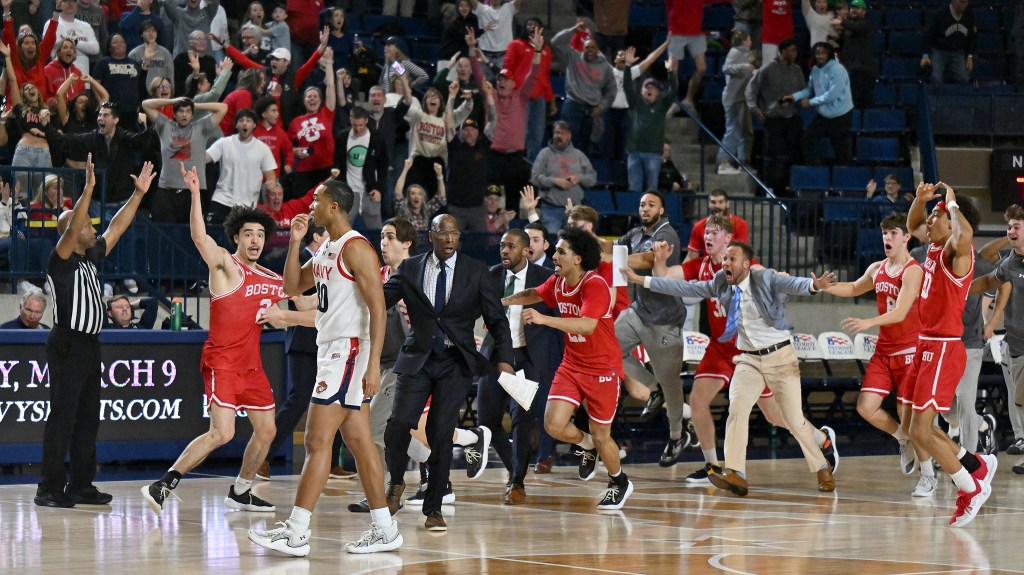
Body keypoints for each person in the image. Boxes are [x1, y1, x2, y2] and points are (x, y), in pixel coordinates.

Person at [248, 179, 402, 556]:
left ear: (334, 206)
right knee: (360, 442)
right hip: (332, 349)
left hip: (349, 351)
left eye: (316, 200)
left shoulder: (356, 247)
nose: (310, 206)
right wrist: (295, 241)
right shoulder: (327, 248)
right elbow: (291, 287)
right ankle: (385, 529)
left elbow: (378, 309)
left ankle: (296, 531)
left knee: (317, 442)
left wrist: (372, 365)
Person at [634, 215, 837, 485]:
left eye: (714, 233)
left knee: (781, 417)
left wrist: (811, 285)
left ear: (732, 244)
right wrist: (649, 274)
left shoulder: (757, 273)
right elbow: (677, 283)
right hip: (735, 353)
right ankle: (723, 469)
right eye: (706, 233)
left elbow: (785, 281)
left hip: (772, 354)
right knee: (723, 407)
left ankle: (821, 448)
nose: (708, 238)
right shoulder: (713, 274)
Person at [142, 164, 285, 516]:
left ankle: (241, 491)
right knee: (222, 433)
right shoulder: (224, 264)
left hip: (251, 366)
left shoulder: (271, 277)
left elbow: (304, 299)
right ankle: (164, 483)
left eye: (260, 235)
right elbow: (199, 238)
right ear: (237, 238)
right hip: (222, 360)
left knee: (267, 430)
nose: (255, 240)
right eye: (248, 234)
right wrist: (195, 194)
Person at [381, 214, 515, 531]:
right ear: (432, 236)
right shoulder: (410, 268)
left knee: (439, 433)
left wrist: (505, 358)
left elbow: (497, 320)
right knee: (397, 425)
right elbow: (380, 299)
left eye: (454, 233)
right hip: (417, 358)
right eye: (443, 233)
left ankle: (434, 508)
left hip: (455, 362)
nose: (450, 238)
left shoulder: (476, 271)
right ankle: (396, 483)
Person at [35, 155, 155, 508]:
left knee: (88, 418)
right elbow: (73, 228)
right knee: (63, 417)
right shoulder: (60, 261)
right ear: (72, 233)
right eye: (88, 225)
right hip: (67, 343)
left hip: (89, 344)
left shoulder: (90, 258)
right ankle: (49, 488)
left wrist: (138, 194)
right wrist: (87, 189)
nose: (93, 228)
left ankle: (81, 485)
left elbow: (116, 227)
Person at [502, 226, 633, 509]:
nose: (554, 256)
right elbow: (534, 293)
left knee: (602, 435)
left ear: (578, 258)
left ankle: (619, 481)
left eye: (561, 251)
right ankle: (586, 445)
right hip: (573, 364)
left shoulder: (594, 284)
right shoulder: (558, 281)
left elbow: (586, 325)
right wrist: (504, 301)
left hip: (602, 368)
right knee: (552, 424)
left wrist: (544, 320)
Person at [904, 182, 995, 527]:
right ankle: (975, 464)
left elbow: (966, 234)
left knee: (922, 430)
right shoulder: (933, 246)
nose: (928, 222)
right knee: (916, 429)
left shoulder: (959, 255)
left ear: (952, 222)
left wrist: (953, 205)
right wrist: (920, 201)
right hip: (926, 343)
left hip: (943, 347)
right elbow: (913, 225)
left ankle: (970, 488)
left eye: (935, 217)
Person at [822, 212, 931, 493]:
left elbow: (901, 311)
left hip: (910, 351)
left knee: (908, 414)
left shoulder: (913, 271)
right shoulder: (877, 268)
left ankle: (929, 475)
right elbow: (854, 287)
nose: (887, 238)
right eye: (885, 233)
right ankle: (902, 439)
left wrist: (868, 322)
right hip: (884, 351)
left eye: (893, 233)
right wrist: (824, 287)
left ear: (906, 237)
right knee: (865, 407)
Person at [480, 228, 561, 504]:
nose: (505, 251)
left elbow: (558, 320)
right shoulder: (490, 276)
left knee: (521, 418)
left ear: (527, 251)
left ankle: (517, 481)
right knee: (487, 422)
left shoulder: (545, 277)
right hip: (496, 356)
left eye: (511, 246)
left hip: (528, 357)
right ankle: (513, 469)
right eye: (502, 245)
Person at [611, 191, 688, 466]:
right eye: (642, 204)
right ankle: (653, 388)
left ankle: (677, 436)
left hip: (665, 320)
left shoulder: (667, 234)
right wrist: (587, 240)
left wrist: (615, 257)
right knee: (610, 348)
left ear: (661, 209)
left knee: (671, 383)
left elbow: (646, 261)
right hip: (639, 311)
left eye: (651, 204)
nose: (645, 208)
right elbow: (610, 247)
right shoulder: (634, 233)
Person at [973, 205, 1024, 470]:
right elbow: (987, 277)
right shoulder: (1009, 262)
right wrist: (960, 290)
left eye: (1017, 227)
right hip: (1016, 344)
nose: (1011, 231)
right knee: (1020, 401)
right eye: (1009, 226)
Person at [143, 96, 228, 223]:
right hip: (166, 191)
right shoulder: (165, 125)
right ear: (174, 114)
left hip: (193, 192)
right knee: (162, 232)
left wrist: (195, 104)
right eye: (181, 111)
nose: (184, 114)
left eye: (188, 111)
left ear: (192, 115)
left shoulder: (201, 127)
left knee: (192, 233)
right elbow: (146, 104)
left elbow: (223, 108)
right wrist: (173, 101)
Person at [745, 38, 805, 196]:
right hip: (773, 118)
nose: (795, 54)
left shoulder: (797, 70)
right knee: (772, 155)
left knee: (793, 154)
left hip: (792, 117)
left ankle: (790, 187)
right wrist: (753, 107)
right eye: (791, 51)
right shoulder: (767, 68)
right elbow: (751, 89)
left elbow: (802, 91)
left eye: (795, 51)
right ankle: (769, 187)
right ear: (783, 51)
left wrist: (799, 100)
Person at [205, 109, 280, 224]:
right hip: (222, 200)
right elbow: (206, 158)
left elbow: (270, 174)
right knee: (213, 233)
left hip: (248, 205)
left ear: (254, 125)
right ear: (236, 125)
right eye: (241, 120)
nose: (244, 123)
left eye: (248, 121)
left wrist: (272, 181)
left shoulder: (262, 148)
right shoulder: (224, 143)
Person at [551, 20, 615, 155]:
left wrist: (601, 107)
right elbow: (555, 42)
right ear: (583, 48)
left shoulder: (605, 67)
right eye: (587, 47)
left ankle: (585, 168)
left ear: (597, 50)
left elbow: (611, 90)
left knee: (588, 147)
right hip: (573, 104)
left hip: (592, 109)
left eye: (593, 48)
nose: (590, 50)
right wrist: (573, 30)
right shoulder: (573, 57)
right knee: (566, 142)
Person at [790, 42, 853, 166]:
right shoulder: (815, 69)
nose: (820, 56)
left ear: (829, 54)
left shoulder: (838, 69)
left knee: (841, 152)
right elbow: (809, 89)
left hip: (841, 116)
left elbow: (832, 95)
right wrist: (793, 97)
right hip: (824, 115)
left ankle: (841, 175)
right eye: (817, 53)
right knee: (807, 140)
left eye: (823, 53)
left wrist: (810, 102)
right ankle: (815, 170)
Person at [530, 120, 596, 234]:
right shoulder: (544, 154)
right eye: (556, 132)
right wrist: (554, 181)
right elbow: (534, 178)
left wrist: (579, 178)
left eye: (562, 133)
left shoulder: (579, 155)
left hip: (575, 210)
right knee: (550, 238)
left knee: (575, 239)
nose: (558, 136)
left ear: (569, 136)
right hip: (550, 209)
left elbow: (592, 179)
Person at [337, 105, 388, 229]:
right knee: (342, 232)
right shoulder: (342, 137)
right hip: (348, 193)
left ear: (366, 121)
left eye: (361, 125)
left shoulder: (376, 137)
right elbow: (337, 162)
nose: (358, 129)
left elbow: (383, 165)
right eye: (355, 125)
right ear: (350, 120)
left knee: (376, 233)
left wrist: (379, 189)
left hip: (370, 193)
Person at [717, 31, 754, 175]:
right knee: (733, 131)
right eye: (749, 38)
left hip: (743, 98)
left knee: (747, 132)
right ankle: (723, 163)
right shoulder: (735, 52)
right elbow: (726, 68)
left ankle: (743, 163)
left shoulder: (748, 54)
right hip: (733, 99)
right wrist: (743, 66)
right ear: (744, 41)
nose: (751, 41)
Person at [685, 190, 750, 262]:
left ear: (727, 204)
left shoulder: (740, 224)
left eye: (721, 202)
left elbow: (741, 254)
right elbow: (691, 256)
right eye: (713, 202)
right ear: (708, 204)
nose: (717, 206)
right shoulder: (698, 226)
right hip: (707, 266)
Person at [665, 0, 707, 112]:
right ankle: (673, 101)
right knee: (672, 69)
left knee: (702, 68)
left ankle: (688, 99)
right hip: (675, 33)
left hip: (696, 33)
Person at [922, 0, 976, 84]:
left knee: (964, 80)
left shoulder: (970, 15)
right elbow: (928, 35)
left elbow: (972, 37)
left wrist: (970, 56)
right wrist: (925, 55)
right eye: (962, 2)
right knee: (936, 78)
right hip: (939, 51)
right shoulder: (941, 14)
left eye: (966, 2)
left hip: (958, 52)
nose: (964, 5)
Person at [838, 0, 876, 108]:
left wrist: (841, 22)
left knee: (862, 101)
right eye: (852, 8)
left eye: (857, 8)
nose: (853, 10)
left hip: (863, 69)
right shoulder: (849, 27)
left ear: (864, 11)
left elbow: (857, 28)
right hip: (852, 68)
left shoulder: (864, 23)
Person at [393, 158, 445, 232]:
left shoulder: (426, 211)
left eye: (420, 194)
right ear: (408, 197)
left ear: (423, 198)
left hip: (423, 239)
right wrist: (406, 168)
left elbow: (441, 197)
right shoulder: (402, 210)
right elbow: (398, 193)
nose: (416, 196)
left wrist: (439, 175)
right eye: (413, 193)